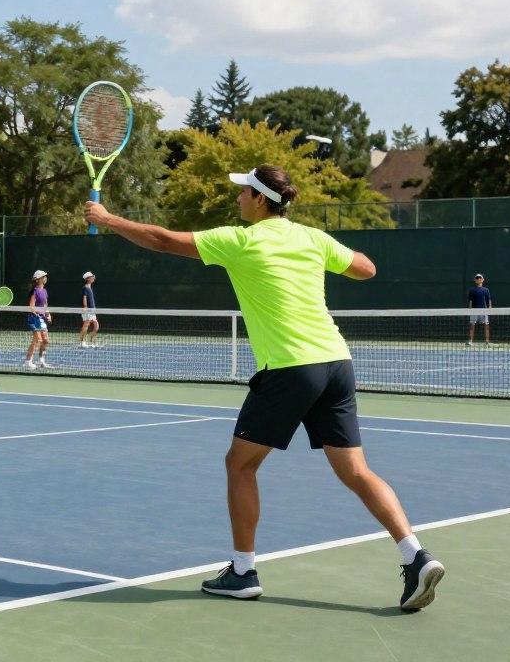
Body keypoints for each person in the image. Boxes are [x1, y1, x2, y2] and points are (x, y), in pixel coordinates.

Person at [84, 163, 445, 612]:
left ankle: (242, 571)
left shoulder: (239, 242)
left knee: (240, 465)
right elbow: (366, 269)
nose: (236, 199)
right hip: (336, 363)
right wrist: (322, 258)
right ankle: (416, 556)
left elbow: (160, 239)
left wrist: (108, 219)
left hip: (291, 368)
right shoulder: (311, 238)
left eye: (242, 193)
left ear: (259, 200)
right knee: (356, 471)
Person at [22, 270, 52, 370]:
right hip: (34, 318)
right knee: (37, 339)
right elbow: (31, 306)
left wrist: (48, 314)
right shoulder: (35, 291)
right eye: (44, 276)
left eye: (46, 276)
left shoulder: (45, 291)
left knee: (46, 340)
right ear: (38, 279)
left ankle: (41, 361)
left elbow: (45, 304)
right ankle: (28, 361)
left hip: (42, 318)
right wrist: (37, 314)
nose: (46, 278)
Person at [467, 273, 492, 347]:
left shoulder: (486, 290)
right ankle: (470, 341)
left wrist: (490, 308)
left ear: (483, 280)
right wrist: (470, 310)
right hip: (474, 310)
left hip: (484, 310)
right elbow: (470, 301)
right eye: (477, 278)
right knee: (472, 325)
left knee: (486, 326)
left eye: (480, 278)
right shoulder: (472, 290)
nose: (478, 279)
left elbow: (489, 300)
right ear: (475, 280)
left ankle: (487, 341)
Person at [78, 271, 100, 348]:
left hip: (92, 310)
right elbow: (84, 299)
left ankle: (91, 341)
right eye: (91, 277)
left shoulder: (89, 288)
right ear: (87, 279)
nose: (93, 278)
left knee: (96, 326)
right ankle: (82, 342)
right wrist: (86, 308)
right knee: (86, 324)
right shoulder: (85, 288)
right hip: (88, 310)